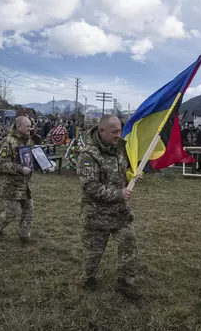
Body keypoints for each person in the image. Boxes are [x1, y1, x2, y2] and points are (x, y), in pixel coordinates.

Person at [76, 114, 142, 300]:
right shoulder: (88, 155)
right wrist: (118, 194)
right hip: (96, 214)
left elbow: (118, 176)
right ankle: (88, 278)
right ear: (101, 130)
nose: (118, 135)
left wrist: (131, 178)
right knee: (93, 252)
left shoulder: (118, 149)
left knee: (129, 243)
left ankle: (125, 282)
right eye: (114, 132)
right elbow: (89, 187)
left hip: (120, 212)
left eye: (120, 131)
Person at [0, 116, 35, 245]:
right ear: (19, 127)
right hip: (10, 184)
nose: (30, 128)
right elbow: (2, 165)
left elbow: (29, 159)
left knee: (29, 209)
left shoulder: (28, 141)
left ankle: (24, 235)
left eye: (30, 126)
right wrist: (20, 169)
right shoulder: (8, 142)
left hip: (24, 183)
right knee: (13, 212)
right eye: (27, 126)